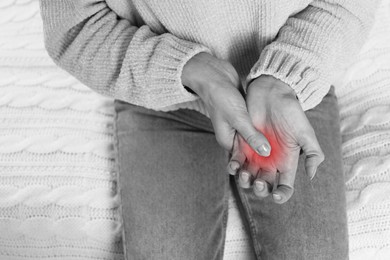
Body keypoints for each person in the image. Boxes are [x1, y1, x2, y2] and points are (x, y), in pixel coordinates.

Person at [39, 0, 378, 259]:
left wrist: (287, 75)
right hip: (160, 95)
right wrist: (190, 69)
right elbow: (74, 27)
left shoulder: (293, 81)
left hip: (293, 90)